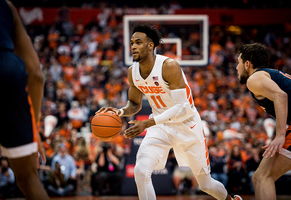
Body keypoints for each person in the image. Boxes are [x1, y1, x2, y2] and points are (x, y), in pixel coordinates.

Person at [97, 23, 242, 200]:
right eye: (132, 42)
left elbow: (182, 107)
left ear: (150, 45)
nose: (133, 46)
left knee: (205, 184)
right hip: (160, 125)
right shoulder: (132, 72)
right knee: (140, 171)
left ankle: (231, 199)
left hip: (187, 124)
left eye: (138, 42)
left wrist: (148, 122)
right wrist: (119, 112)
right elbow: (134, 103)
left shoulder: (169, 66)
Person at [0, 1, 50, 199]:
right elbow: (35, 74)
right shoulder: (6, 6)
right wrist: (32, 130)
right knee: (28, 178)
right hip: (10, 70)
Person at [236, 43, 291, 200]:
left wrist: (280, 135)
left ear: (247, 64)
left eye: (238, 63)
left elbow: (281, 96)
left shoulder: (255, 78)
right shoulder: (269, 75)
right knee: (260, 177)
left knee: (262, 177)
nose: (236, 68)